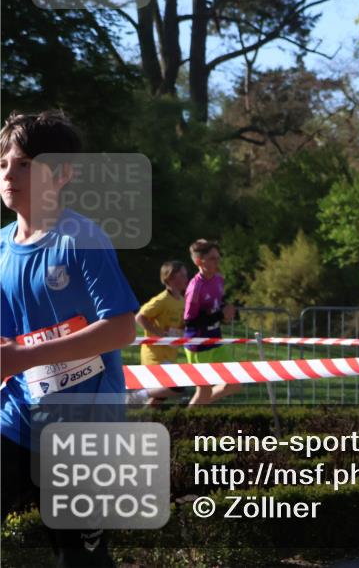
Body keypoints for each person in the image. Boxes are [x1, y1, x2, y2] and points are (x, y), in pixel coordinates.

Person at [1, 110, 139, 567]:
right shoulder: (2, 247)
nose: (8, 174)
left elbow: (121, 327)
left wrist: (24, 356)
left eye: (24, 164)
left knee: (79, 560)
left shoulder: (81, 237)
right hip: (16, 417)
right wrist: (15, 358)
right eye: (3, 163)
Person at [183, 239, 238, 406]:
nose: (217, 262)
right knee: (204, 390)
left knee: (234, 383)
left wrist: (227, 313)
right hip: (198, 344)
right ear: (200, 262)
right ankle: (183, 425)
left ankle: (199, 406)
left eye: (218, 258)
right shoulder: (195, 287)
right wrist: (220, 316)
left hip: (216, 340)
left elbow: (217, 305)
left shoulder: (218, 280)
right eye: (213, 259)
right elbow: (190, 321)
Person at [132, 261, 189, 406]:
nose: (186, 278)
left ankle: (143, 424)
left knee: (159, 398)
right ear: (170, 278)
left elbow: (178, 325)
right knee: (177, 386)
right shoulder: (161, 299)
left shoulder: (182, 301)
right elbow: (139, 317)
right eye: (181, 275)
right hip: (155, 355)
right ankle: (139, 395)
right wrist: (160, 335)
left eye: (186, 274)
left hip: (170, 354)